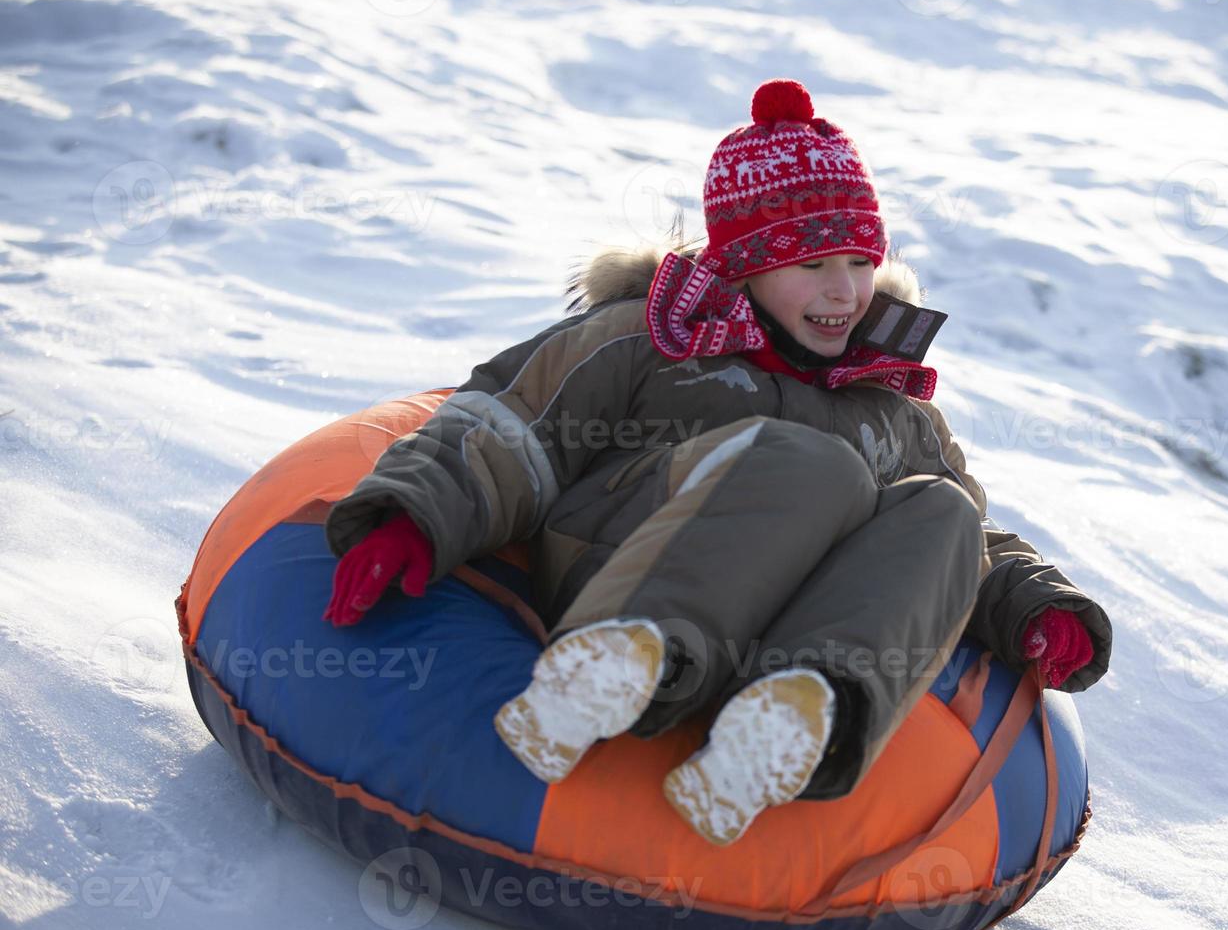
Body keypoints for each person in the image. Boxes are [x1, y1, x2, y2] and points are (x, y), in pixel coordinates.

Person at [320, 78, 1112, 847]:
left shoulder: (892, 405)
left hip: (787, 630)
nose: (844, 292)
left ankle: (788, 723)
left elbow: (962, 538)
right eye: (811, 265)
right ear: (745, 265)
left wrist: (1034, 607)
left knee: (941, 508)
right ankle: (603, 675)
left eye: (860, 263)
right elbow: (513, 423)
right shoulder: (650, 341)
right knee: (818, 465)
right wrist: (413, 518)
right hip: (628, 569)